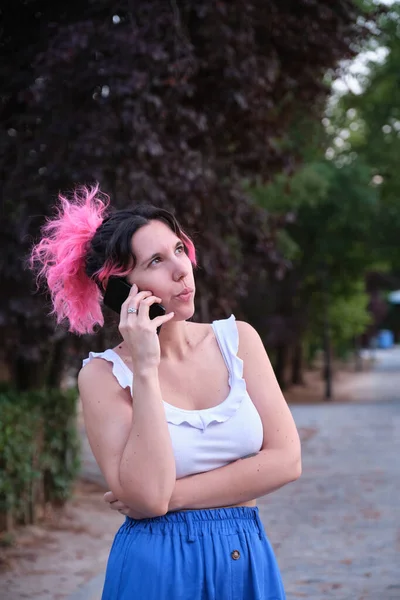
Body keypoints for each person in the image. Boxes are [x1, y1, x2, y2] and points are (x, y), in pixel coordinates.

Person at [30, 184, 301, 600]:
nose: (181, 268)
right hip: (158, 567)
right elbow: (146, 493)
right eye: (156, 260)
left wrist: (172, 497)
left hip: (245, 555)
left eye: (178, 249)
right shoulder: (103, 376)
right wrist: (145, 367)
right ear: (123, 290)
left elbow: (286, 461)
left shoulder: (238, 341)